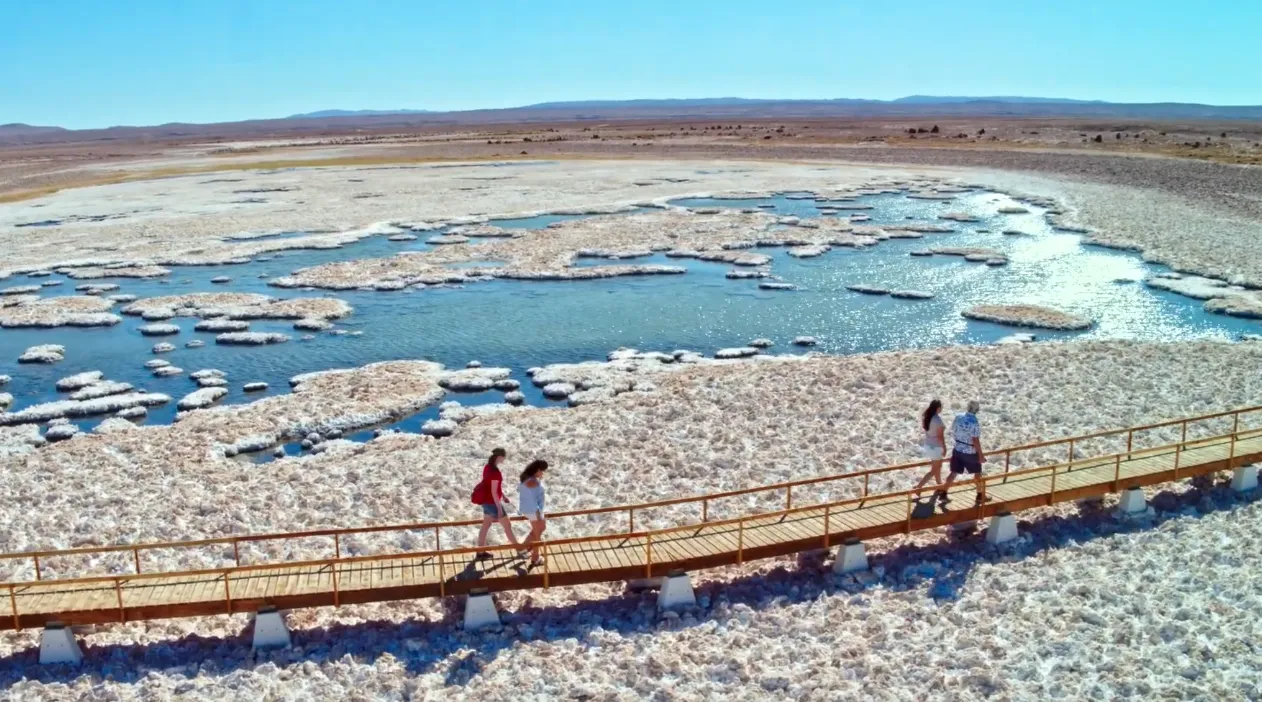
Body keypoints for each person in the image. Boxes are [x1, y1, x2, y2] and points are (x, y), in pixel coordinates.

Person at [471, 448, 519, 559]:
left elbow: (491, 487)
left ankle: (480, 553)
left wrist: (504, 496)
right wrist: (499, 508)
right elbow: (493, 491)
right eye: (504, 457)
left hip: (485, 502)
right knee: (507, 526)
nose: (504, 459)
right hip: (492, 503)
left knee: (485, 526)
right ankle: (520, 550)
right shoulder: (496, 473)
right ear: (499, 457)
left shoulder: (487, 467)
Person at [942, 400, 988, 506]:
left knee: (954, 472)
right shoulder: (974, 421)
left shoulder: (958, 416)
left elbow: (953, 429)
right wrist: (980, 455)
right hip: (970, 451)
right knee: (977, 473)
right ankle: (980, 495)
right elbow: (975, 440)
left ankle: (944, 493)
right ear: (977, 409)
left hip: (958, 448)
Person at [913, 399, 947, 501]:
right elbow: (940, 436)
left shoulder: (927, 417)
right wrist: (944, 447)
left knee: (937, 466)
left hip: (928, 445)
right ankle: (919, 487)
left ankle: (939, 485)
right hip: (936, 446)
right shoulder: (937, 420)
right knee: (934, 469)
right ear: (938, 408)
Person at [517, 459, 549, 567]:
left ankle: (523, 548)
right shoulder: (531, 481)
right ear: (537, 470)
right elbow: (530, 495)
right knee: (537, 533)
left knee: (541, 528)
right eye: (542, 471)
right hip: (533, 510)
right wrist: (537, 512)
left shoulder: (528, 478)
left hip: (533, 509)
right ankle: (535, 558)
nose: (542, 473)